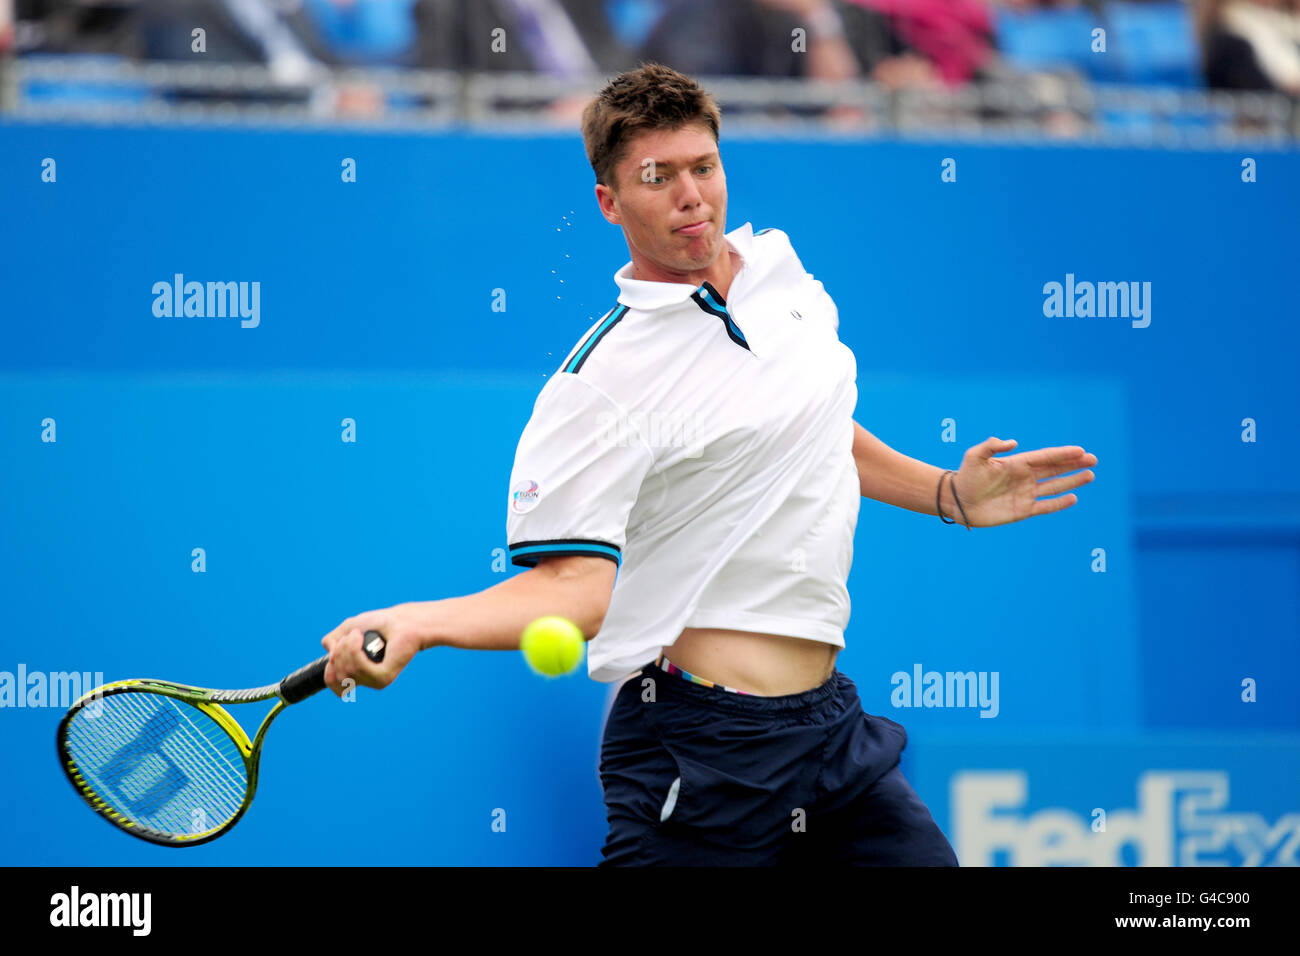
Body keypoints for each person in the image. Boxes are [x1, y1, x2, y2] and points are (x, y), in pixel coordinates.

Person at [319, 62, 1098, 866]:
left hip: (831, 732)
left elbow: (814, 427)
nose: (691, 194)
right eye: (658, 177)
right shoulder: (598, 385)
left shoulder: (783, 277)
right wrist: (418, 623)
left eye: (704, 167)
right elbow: (573, 594)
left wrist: (946, 494)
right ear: (610, 203)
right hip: (698, 751)